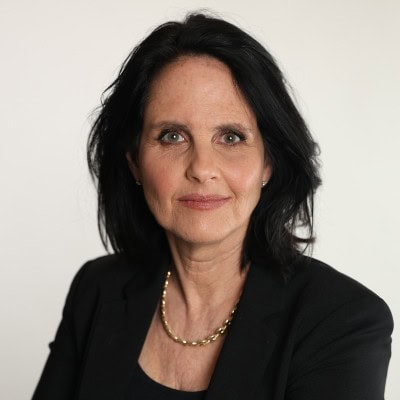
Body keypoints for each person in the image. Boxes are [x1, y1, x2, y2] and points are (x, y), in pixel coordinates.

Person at [32, 12, 393, 400]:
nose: (202, 168)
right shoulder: (97, 289)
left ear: (268, 163)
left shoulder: (342, 320)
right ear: (134, 161)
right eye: (172, 136)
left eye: (231, 137)